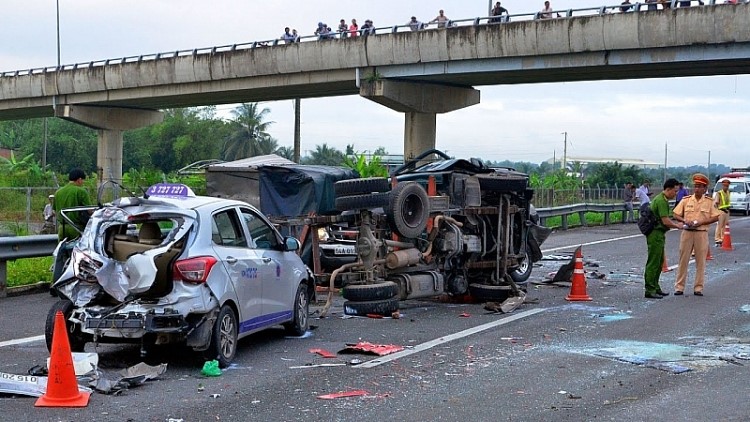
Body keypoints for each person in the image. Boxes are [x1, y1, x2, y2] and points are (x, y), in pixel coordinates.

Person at [672, 174, 721, 296]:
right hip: (687, 232)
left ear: (705, 188)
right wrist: (684, 220)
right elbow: (675, 214)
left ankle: (698, 288)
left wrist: (701, 222)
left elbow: (715, 216)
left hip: (701, 233)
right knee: (683, 260)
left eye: (700, 187)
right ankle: (679, 287)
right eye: (695, 186)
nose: (697, 189)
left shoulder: (710, 202)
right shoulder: (686, 200)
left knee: (701, 262)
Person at [644, 178, 683, 299]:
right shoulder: (661, 201)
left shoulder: (663, 199)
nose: (675, 194)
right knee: (654, 262)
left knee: (659, 261)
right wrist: (677, 226)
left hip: (659, 234)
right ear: (668, 189)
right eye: (674, 191)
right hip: (655, 233)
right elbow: (665, 220)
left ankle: (655, 287)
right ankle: (650, 289)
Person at [54, 168, 93, 242]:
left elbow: (54, 211)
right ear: (79, 179)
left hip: (62, 228)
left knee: (63, 252)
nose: (82, 183)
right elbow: (90, 211)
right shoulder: (81, 191)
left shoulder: (58, 192)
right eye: (83, 180)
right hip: (76, 227)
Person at [713, 178, 731, 246]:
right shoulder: (719, 193)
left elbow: (728, 202)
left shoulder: (728, 192)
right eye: (725, 186)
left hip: (727, 211)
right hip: (721, 211)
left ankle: (723, 238)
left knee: (725, 226)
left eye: (727, 186)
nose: (726, 187)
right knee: (719, 225)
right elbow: (716, 203)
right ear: (722, 186)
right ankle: (717, 239)